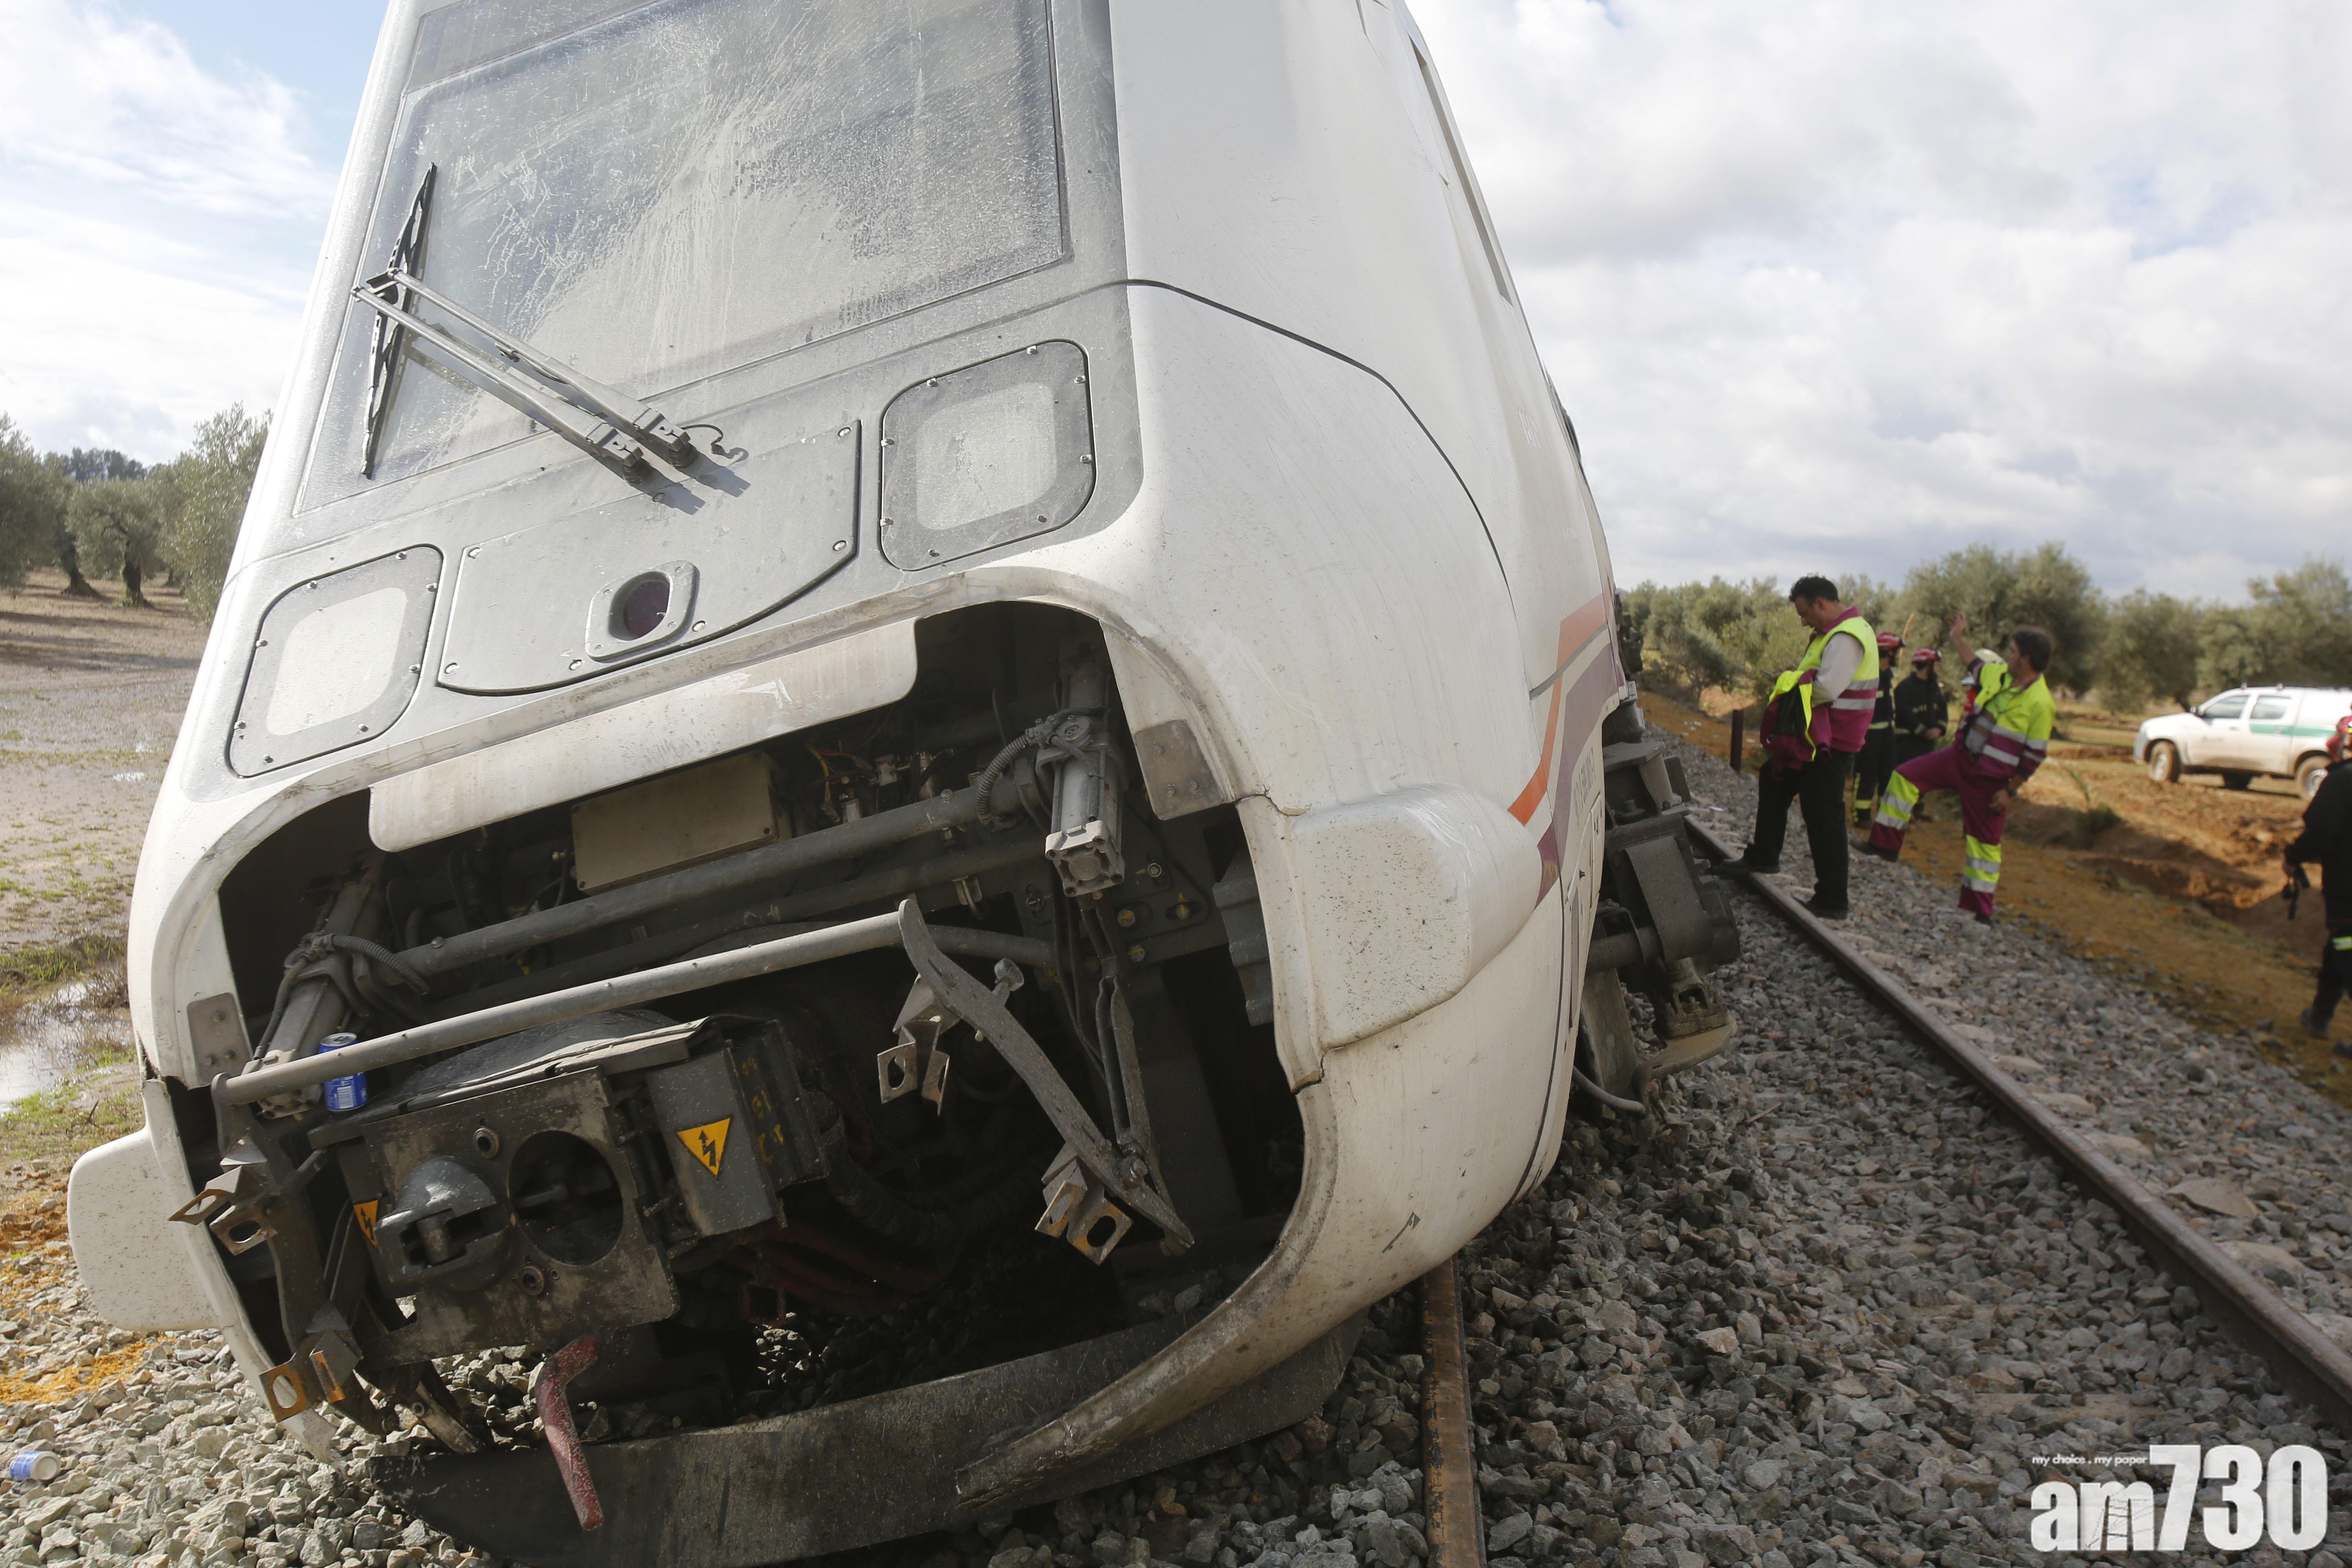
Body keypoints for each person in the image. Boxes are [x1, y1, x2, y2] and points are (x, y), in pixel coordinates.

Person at [1862, 616, 2055, 923]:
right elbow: (1973, 663)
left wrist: (2009, 791)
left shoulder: (2041, 703)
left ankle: (1980, 910)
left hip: (1991, 780)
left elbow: (2034, 756)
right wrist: (1956, 637)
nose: (2009, 655)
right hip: (1958, 756)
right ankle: (1884, 845)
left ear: (2027, 659)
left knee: (1984, 845)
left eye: (2014, 651)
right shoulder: (1999, 675)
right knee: (1904, 777)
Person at [1718, 576, 1880, 919]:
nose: (1804, 621)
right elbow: (1815, 677)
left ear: (1821, 603)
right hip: (1815, 737)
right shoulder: (1836, 633)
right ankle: (1764, 855)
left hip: (1829, 743)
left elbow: (1825, 689)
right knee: (1773, 777)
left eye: (1805, 613)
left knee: (1824, 815)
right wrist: (1796, 675)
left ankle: (1833, 899)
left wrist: (1788, 682)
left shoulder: (1846, 636)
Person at [2287, 712, 2352, 1052]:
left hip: (2348, 888)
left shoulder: (2343, 782)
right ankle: (2319, 1016)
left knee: (2347, 949)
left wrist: (2293, 856)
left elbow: (2321, 832)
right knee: (2339, 950)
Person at [1850, 631, 1906, 828]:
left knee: (1888, 775)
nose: (1899, 657)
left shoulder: (1887, 675)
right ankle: (1861, 816)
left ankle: (1885, 819)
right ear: (1888, 653)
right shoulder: (1869, 673)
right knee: (1867, 774)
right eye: (1897, 652)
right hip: (1869, 734)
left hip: (1887, 733)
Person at [1890, 646, 1949, 821]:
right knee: (1907, 776)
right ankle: (1903, 811)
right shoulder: (1904, 688)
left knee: (1924, 776)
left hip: (1927, 742)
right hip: (1908, 741)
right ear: (1928, 665)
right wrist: (1922, 731)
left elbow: (1942, 710)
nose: (1938, 668)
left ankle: (1918, 809)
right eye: (1936, 664)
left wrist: (1940, 729)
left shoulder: (1934, 689)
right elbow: (1904, 713)